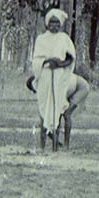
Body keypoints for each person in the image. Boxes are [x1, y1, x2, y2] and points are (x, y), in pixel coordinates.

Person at [31, 8, 75, 149]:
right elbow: (36, 60)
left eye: (57, 23)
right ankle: (42, 145)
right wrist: (48, 61)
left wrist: (60, 63)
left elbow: (71, 58)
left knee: (57, 110)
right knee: (44, 110)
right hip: (44, 76)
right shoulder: (41, 39)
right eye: (51, 22)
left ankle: (55, 147)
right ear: (47, 24)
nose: (54, 26)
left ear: (60, 24)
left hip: (59, 78)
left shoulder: (64, 39)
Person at [26, 71, 90, 148]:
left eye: (34, 89)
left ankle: (66, 146)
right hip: (70, 88)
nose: (35, 92)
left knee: (66, 114)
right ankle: (56, 144)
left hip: (81, 87)